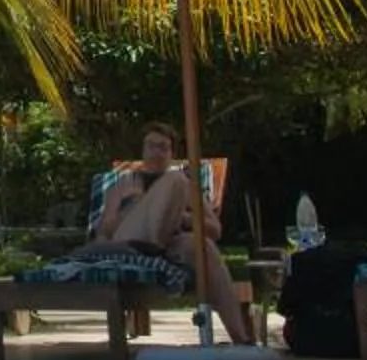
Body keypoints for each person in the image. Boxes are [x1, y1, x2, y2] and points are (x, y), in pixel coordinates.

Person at [94, 123, 253, 346]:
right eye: (151, 146)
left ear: (171, 155)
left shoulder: (184, 186)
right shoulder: (124, 184)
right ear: (142, 151)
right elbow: (104, 232)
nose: (156, 153)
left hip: (169, 245)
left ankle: (241, 339)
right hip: (129, 243)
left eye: (163, 148)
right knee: (175, 179)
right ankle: (154, 243)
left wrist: (182, 217)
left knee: (204, 246)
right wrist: (135, 204)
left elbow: (215, 230)